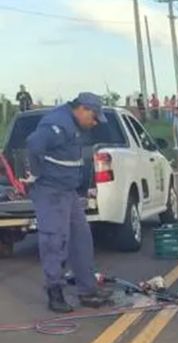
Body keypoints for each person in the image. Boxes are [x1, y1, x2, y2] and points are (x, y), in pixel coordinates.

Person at [24, 93, 114, 313]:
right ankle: (54, 292)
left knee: (81, 238)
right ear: (82, 109)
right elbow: (34, 144)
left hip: (68, 191)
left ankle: (88, 289)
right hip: (51, 191)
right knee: (54, 241)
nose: (94, 123)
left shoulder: (74, 124)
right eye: (93, 117)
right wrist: (36, 174)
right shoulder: (58, 123)